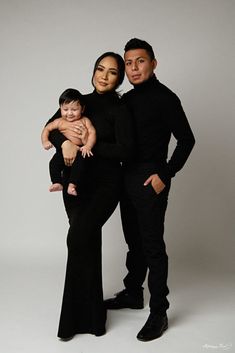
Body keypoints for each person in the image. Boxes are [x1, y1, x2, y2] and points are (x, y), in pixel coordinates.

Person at [104, 38, 196, 342]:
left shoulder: (166, 98)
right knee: (134, 241)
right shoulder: (126, 99)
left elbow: (186, 140)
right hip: (125, 178)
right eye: (128, 63)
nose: (133, 68)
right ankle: (133, 292)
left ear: (153, 63)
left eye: (140, 61)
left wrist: (164, 175)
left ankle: (159, 311)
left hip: (150, 179)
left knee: (153, 245)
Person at [45, 52, 134, 340]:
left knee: (78, 237)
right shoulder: (77, 101)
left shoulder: (120, 109)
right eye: (100, 69)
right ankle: (91, 316)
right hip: (75, 185)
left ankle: (76, 319)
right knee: (88, 242)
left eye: (111, 72)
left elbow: (126, 151)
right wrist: (65, 144)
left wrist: (86, 145)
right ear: (93, 71)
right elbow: (50, 128)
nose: (103, 76)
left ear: (119, 78)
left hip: (106, 185)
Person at [41, 88, 96, 196]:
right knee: (53, 163)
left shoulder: (84, 120)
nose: (69, 113)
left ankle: (72, 185)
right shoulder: (59, 122)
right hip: (63, 151)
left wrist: (88, 146)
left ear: (82, 109)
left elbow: (92, 133)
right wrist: (45, 141)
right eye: (65, 109)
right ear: (60, 108)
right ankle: (57, 182)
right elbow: (46, 129)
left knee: (80, 165)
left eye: (74, 109)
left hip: (80, 150)